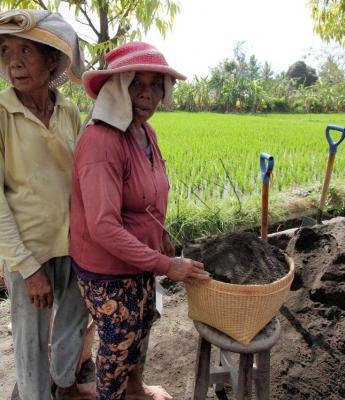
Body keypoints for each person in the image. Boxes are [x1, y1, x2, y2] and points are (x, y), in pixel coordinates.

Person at [70, 41, 210, 400]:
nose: (147, 95)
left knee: (142, 324)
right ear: (115, 88)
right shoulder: (102, 141)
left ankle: (135, 389)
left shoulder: (146, 132)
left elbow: (153, 193)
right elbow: (103, 226)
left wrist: (161, 237)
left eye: (155, 85)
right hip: (107, 272)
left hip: (140, 260)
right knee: (117, 346)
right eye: (136, 84)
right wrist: (167, 264)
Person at [0, 9, 93, 400]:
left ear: (51, 59)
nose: (14, 62)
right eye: (5, 51)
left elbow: (83, 180)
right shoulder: (2, 113)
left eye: (26, 50)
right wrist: (26, 267)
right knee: (31, 341)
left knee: (73, 322)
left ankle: (66, 386)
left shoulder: (69, 111)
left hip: (74, 246)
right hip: (30, 252)